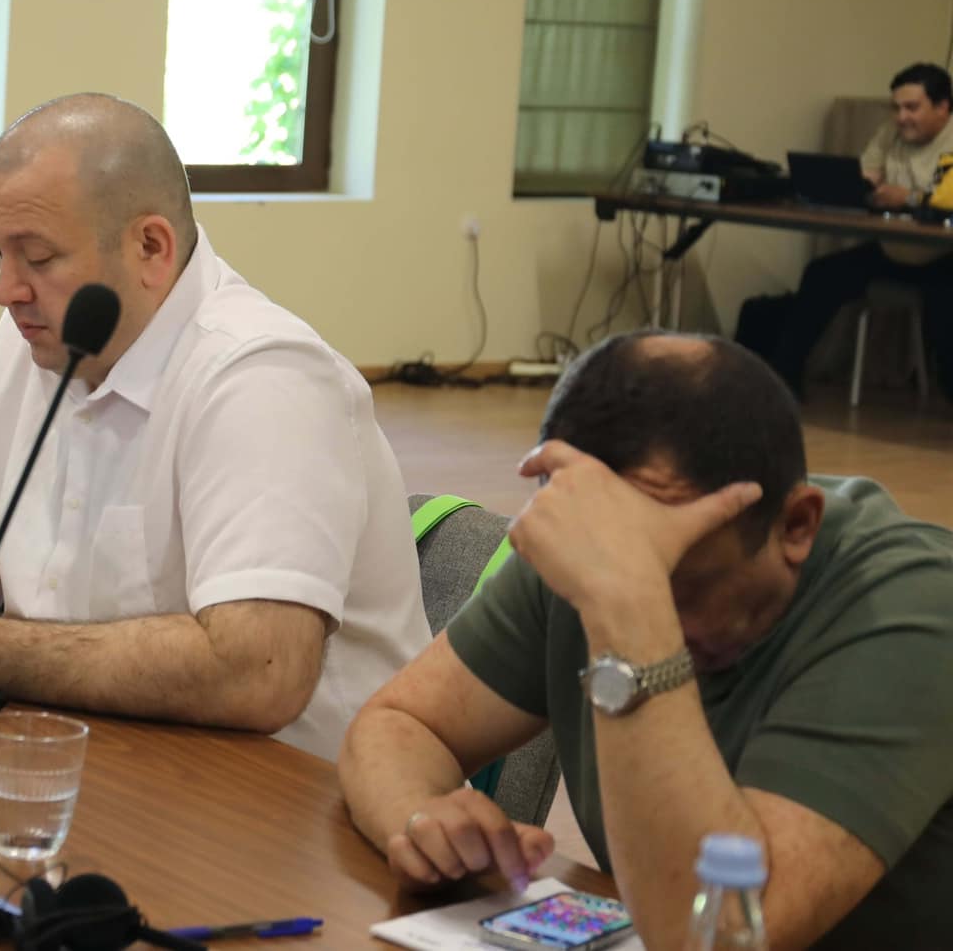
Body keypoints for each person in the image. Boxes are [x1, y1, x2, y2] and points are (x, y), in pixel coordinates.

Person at [0, 94, 430, 758]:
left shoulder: (263, 379)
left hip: (281, 797)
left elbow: (257, 674)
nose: (7, 290)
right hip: (95, 751)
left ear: (150, 247)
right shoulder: (36, 338)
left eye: (38, 257)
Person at [338, 331, 953, 950]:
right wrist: (420, 817)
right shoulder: (590, 547)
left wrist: (630, 609)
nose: (657, 607)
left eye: (687, 583)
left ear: (797, 525)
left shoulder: (913, 609)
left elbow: (722, 934)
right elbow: (398, 723)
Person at [762, 61, 953, 395]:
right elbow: (867, 174)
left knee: (944, 309)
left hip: (943, 257)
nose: (901, 117)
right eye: (896, 108)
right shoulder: (890, 132)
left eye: (912, 108)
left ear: (942, 107)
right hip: (893, 249)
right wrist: (860, 188)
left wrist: (908, 198)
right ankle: (781, 382)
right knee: (821, 275)